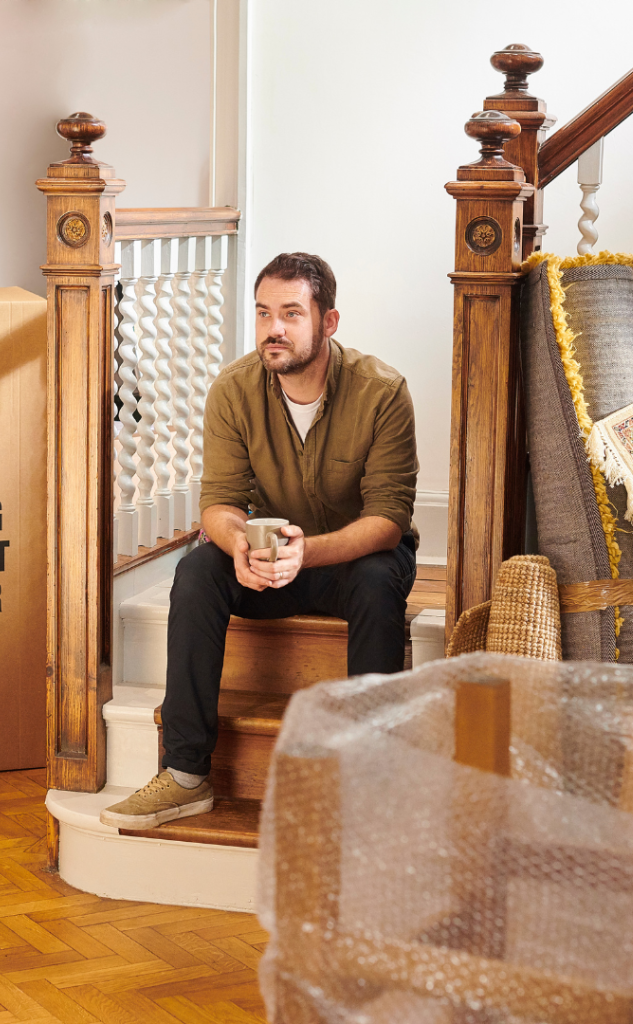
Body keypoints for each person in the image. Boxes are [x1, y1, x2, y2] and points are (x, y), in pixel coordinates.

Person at [100, 252, 418, 830]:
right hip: (268, 564)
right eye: (264, 312)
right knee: (196, 572)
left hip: (350, 559)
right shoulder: (234, 390)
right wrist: (238, 546)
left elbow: (390, 518)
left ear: (329, 321)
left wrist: (309, 553)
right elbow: (218, 501)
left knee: (379, 581)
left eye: (292, 313)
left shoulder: (382, 391)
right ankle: (185, 775)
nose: (274, 328)